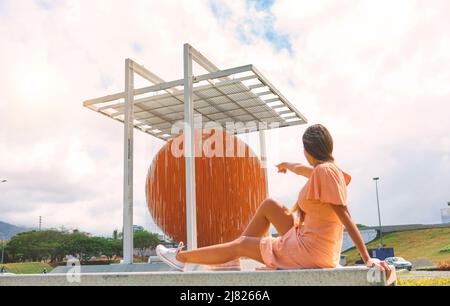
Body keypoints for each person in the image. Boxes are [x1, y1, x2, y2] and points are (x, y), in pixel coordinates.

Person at [156, 124, 391, 276]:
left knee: (242, 245)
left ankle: (181, 258)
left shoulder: (324, 173)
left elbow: (345, 215)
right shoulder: (329, 170)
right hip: (313, 243)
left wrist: (367, 258)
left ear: (307, 150)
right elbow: (303, 169)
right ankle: (232, 258)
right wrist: (287, 166)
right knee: (269, 205)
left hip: (309, 251)